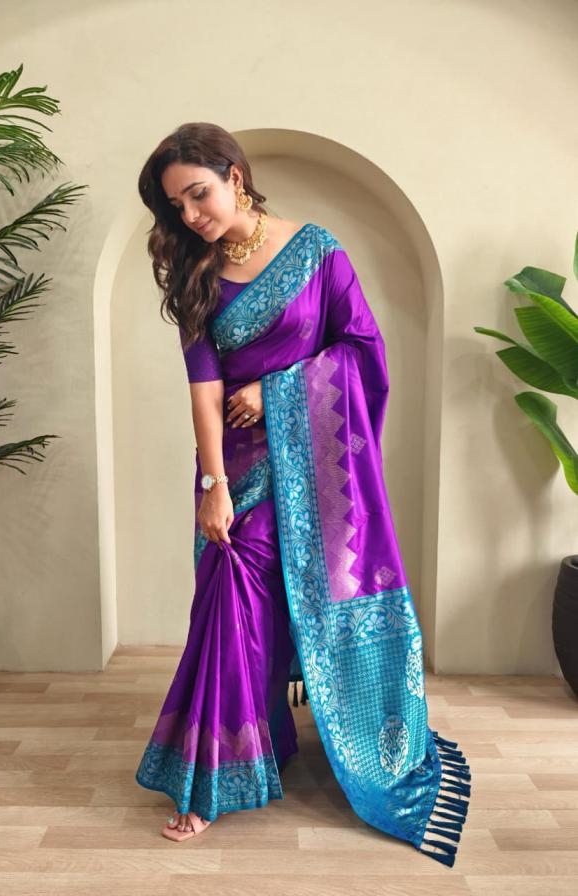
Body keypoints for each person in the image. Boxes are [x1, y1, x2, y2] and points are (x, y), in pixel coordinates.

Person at [134, 122, 472, 866]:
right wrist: (214, 486)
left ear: (235, 176)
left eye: (199, 194)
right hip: (237, 469)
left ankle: (252, 752)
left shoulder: (317, 252)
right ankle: (219, 774)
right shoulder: (192, 271)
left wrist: (276, 388)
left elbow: (362, 350)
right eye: (177, 206)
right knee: (230, 602)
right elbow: (203, 392)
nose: (191, 215)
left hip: (321, 474)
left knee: (263, 608)